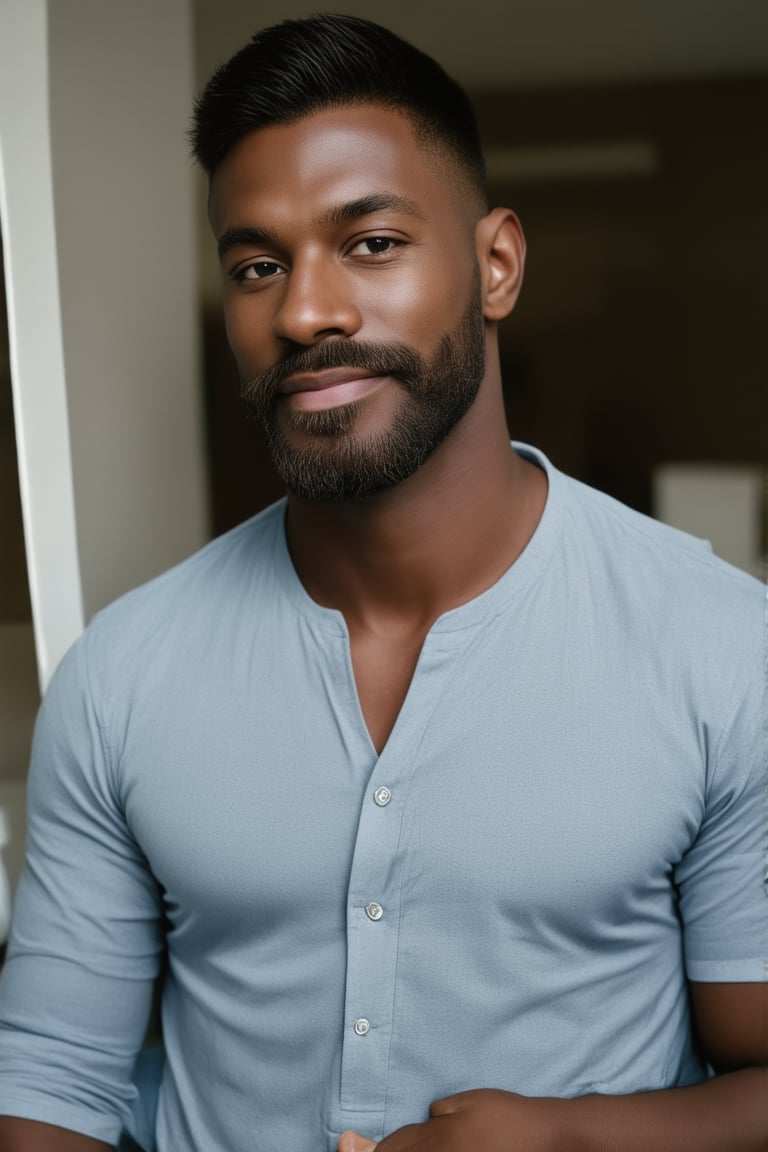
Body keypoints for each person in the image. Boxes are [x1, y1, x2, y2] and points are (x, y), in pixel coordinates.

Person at [0, 13, 765, 1152]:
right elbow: (52, 1087)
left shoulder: (722, 647)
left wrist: (572, 1138)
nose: (304, 312)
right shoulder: (123, 677)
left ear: (496, 264)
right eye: (258, 265)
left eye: (371, 243)